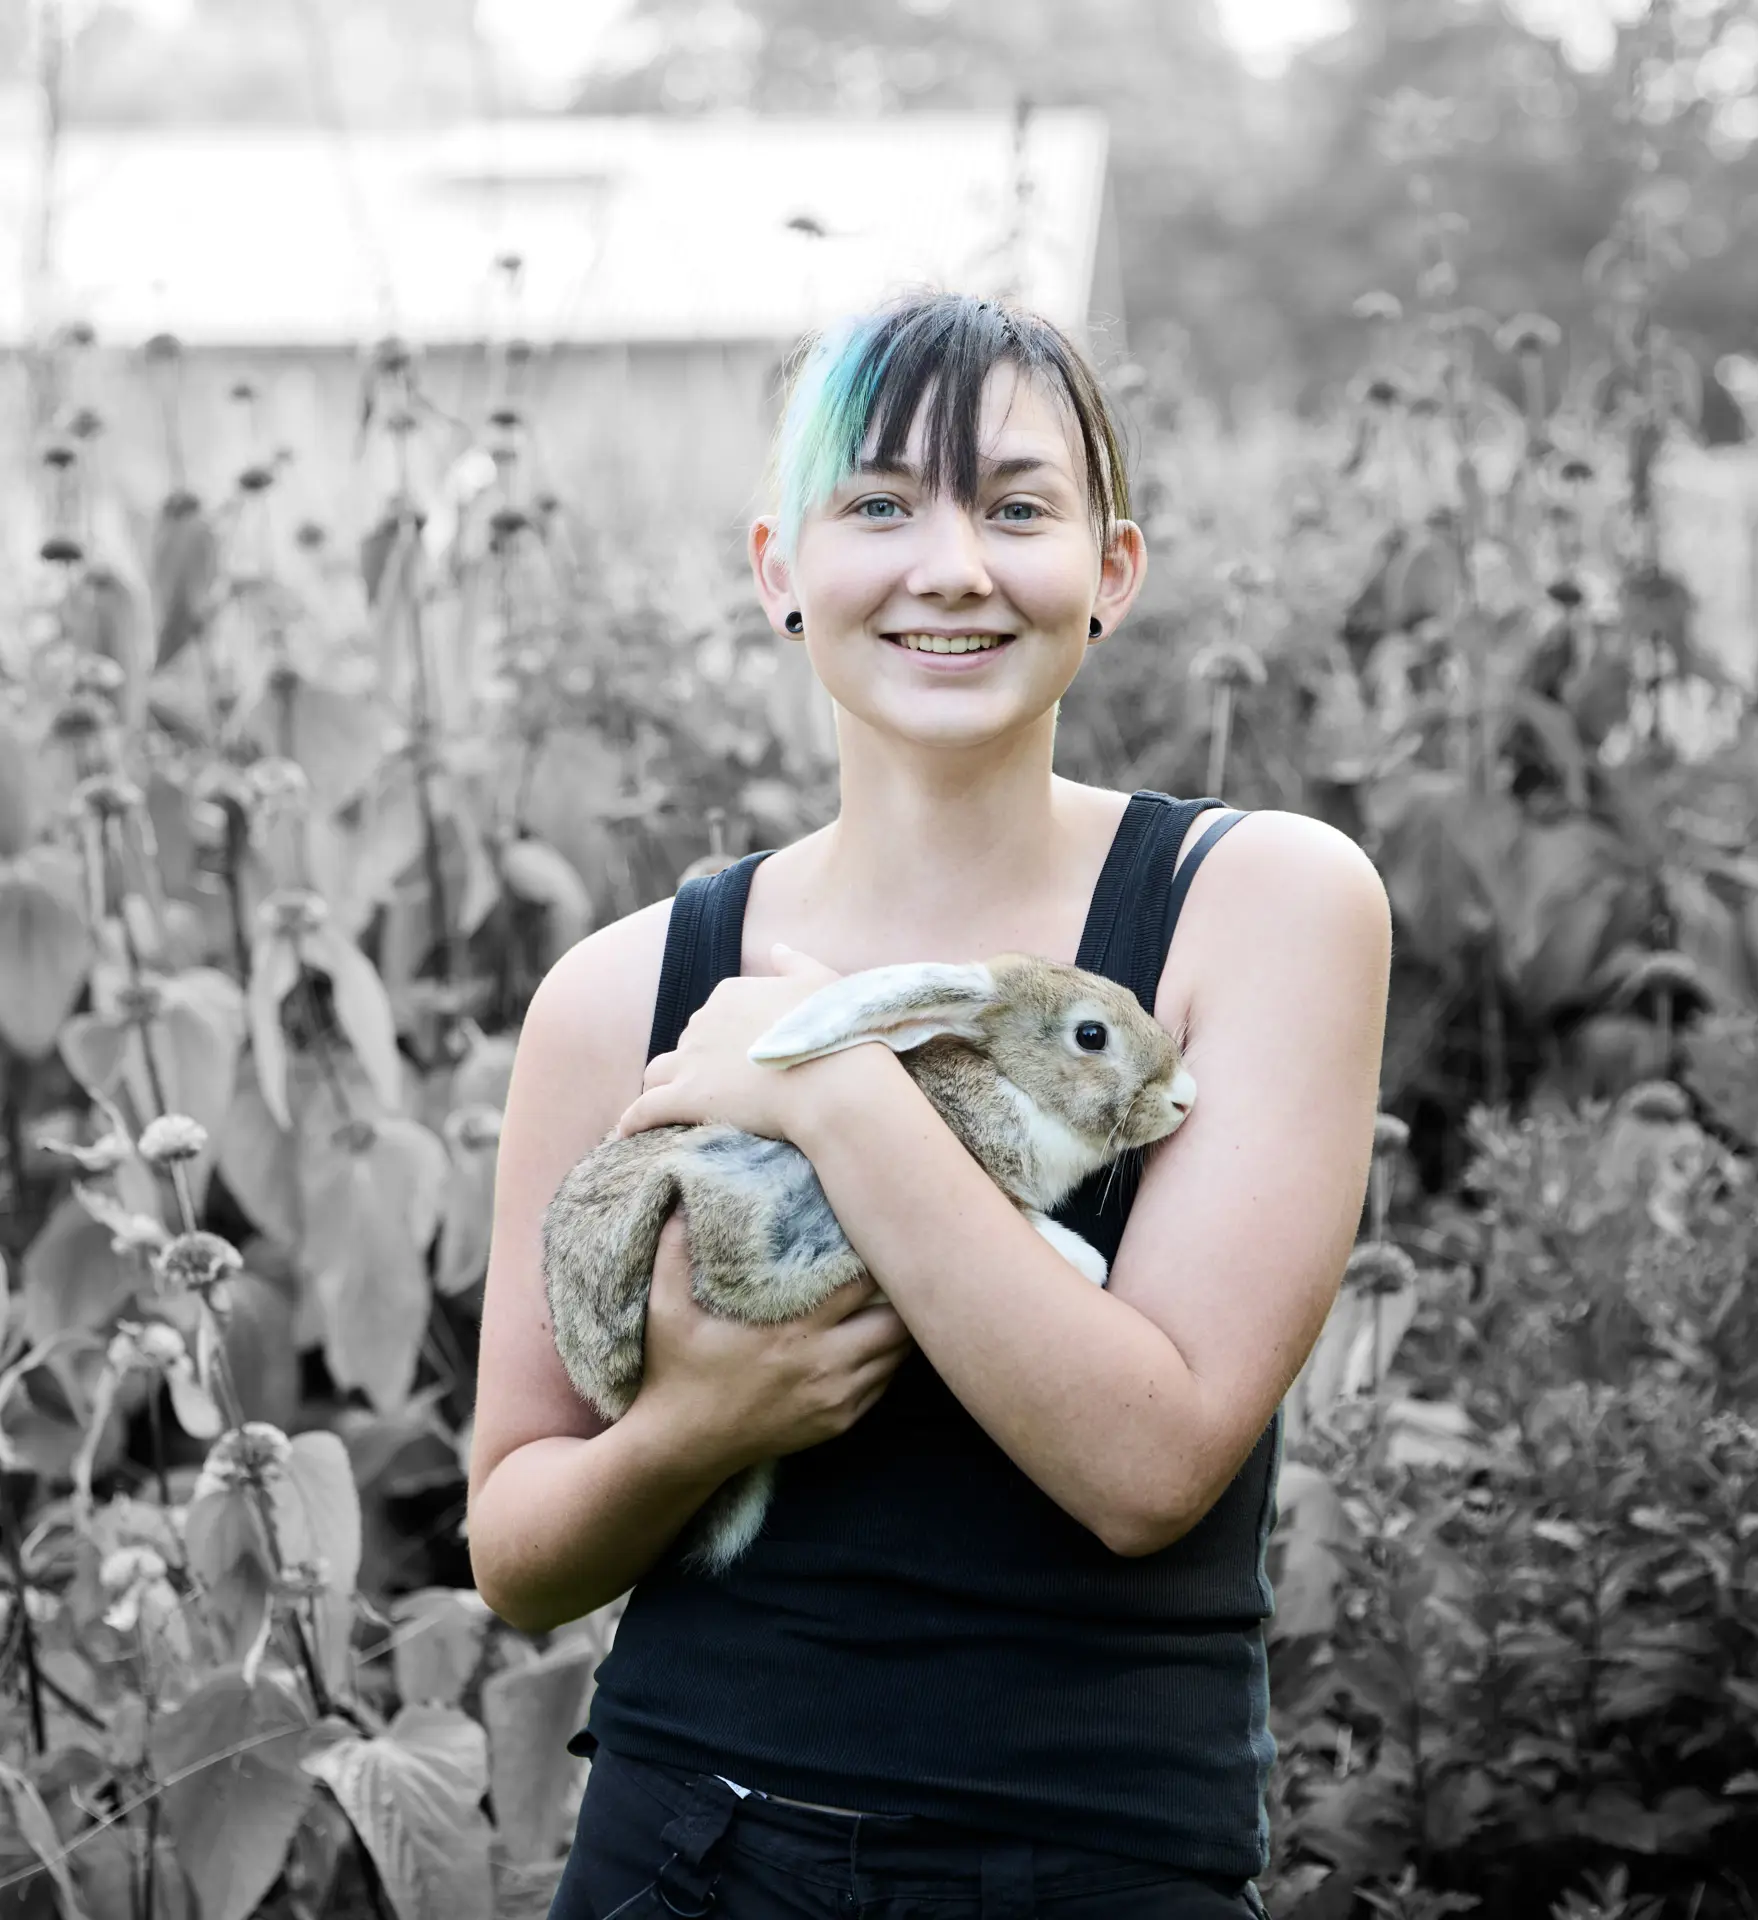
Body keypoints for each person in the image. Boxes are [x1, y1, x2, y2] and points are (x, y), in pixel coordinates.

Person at [467, 290, 1391, 1920]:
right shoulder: (622, 992)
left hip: (1094, 1865)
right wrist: (698, 1425)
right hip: (688, 1855)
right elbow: (520, 1549)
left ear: (1112, 570)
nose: (951, 565)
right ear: (779, 568)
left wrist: (826, 1086)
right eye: (879, 505)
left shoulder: (1260, 907)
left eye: (1017, 507)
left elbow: (1149, 1464)